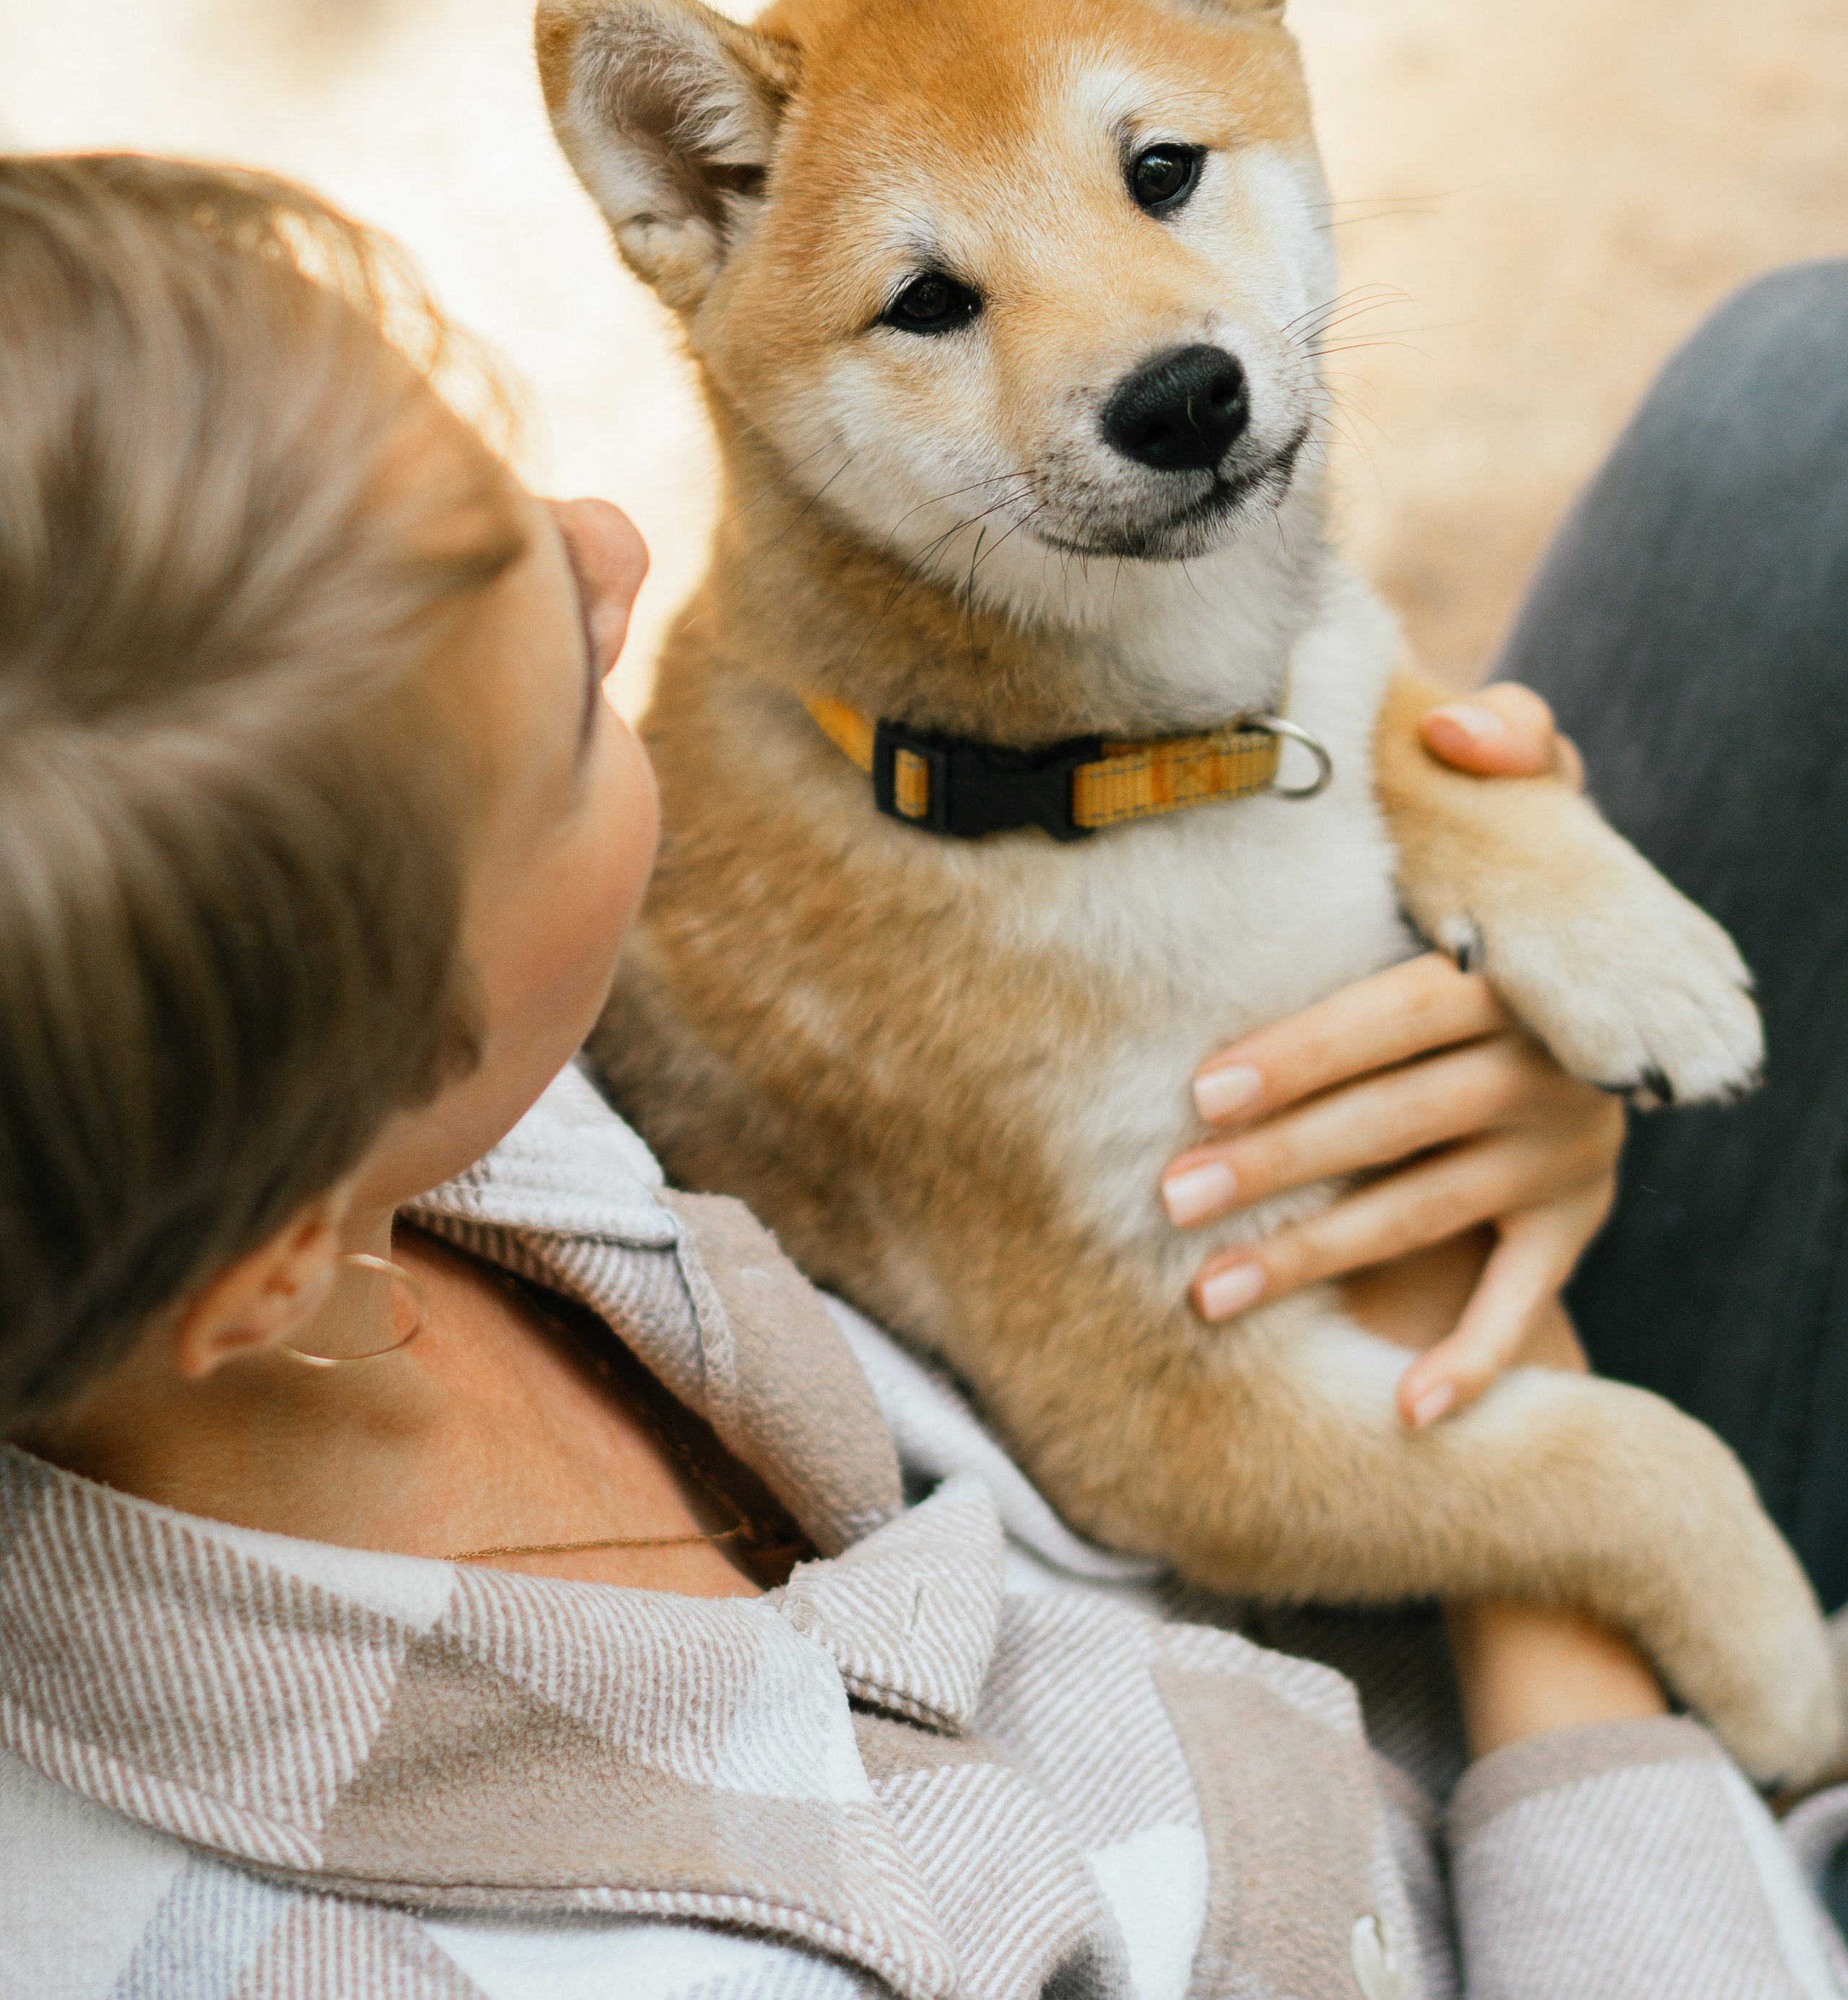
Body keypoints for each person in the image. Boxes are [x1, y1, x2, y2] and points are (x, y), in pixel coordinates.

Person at [0, 152, 1842, 2000]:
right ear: (270, 1248)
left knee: (1790, 416)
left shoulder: (289, 1104)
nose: (616, 548)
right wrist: (1514, 1409)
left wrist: (1465, 976)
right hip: (1588, 1835)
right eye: (565, 713)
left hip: (1322, 1499)